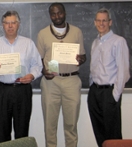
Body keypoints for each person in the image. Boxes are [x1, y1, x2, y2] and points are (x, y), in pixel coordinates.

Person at [0, 10, 43, 143]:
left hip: (22, 90)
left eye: (13, 23)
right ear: (2, 25)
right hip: (2, 91)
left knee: (22, 131)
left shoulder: (28, 43)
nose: (10, 26)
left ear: (18, 24)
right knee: (3, 131)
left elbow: (38, 65)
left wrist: (31, 75)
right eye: (7, 23)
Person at [36, 3, 86, 147]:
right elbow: (38, 59)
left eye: (59, 13)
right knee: (49, 125)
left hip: (71, 80)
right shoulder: (43, 33)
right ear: (50, 15)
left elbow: (83, 56)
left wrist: (81, 59)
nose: (57, 16)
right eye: (53, 14)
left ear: (65, 13)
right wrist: (43, 71)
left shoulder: (77, 32)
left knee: (71, 125)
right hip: (51, 82)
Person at [88, 8, 130, 147]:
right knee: (99, 133)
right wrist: (91, 89)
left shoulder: (118, 41)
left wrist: (114, 96)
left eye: (104, 20)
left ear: (110, 22)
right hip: (95, 92)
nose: (101, 23)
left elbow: (123, 71)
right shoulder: (95, 43)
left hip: (109, 93)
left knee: (113, 135)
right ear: (95, 22)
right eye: (98, 20)